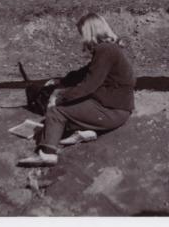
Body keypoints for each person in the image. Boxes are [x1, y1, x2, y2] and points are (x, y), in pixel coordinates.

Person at [17, 13, 135, 167]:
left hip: (112, 111)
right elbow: (85, 73)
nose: (82, 38)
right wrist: (62, 80)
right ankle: (88, 132)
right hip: (116, 109)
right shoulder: (110, 49)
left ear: (90, 31)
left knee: (57, 111)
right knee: (71, 111)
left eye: (82, 33)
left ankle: (47, 154)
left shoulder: (105, 50)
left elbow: (89, 85)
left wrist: (59, 98)